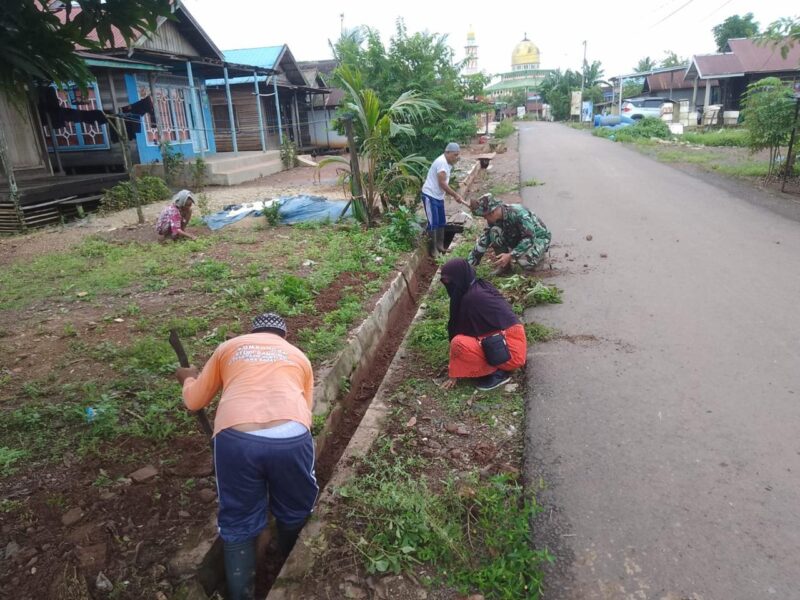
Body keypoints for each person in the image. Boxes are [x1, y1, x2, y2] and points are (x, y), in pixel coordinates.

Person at [175, 313, 317, 600]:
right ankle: (289, 566)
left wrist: (188, 379)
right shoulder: (298, 356)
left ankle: (242, 594)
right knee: (296, 508)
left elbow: (194, 401)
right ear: (283, 336)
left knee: (238, 521)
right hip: (290, 436)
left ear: (252, 331)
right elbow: (306, 413)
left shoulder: (230, 347)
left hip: (236, 438)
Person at [439, 259, 527, 391]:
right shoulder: (479, 285)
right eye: (445, 282)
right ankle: (498, 365)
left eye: (450, 281)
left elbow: (460, 336)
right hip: (511, 341)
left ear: (460, 278)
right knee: (463, 341)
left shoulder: (471, 299)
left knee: (458, 343)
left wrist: (454, 372)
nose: (448, 285)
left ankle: (497, 372)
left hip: (511, 353)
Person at [468, 193, 551, 276]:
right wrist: (469, 264)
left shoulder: (519, 213)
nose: (485, 219)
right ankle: (505, 267)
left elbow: (529, 238)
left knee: (525, 261)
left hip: (538, 239)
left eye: (485, 216)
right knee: (493, 232)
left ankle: (538, 258)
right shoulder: (494, 219)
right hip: (518, 237)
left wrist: (511, 255)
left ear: (492, 212)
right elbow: (484, 239)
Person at [421, 142, 469, 256]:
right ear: (447, 152)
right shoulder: (442, 163)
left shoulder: (448, 162)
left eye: (458, 155)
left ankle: (440, 246)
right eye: (454, 155)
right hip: (430, 195)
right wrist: (455, 195)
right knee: (433, 222)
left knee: (441, 221)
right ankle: (433, 250)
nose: (456, 157)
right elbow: (442, 183)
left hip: (438, 196)